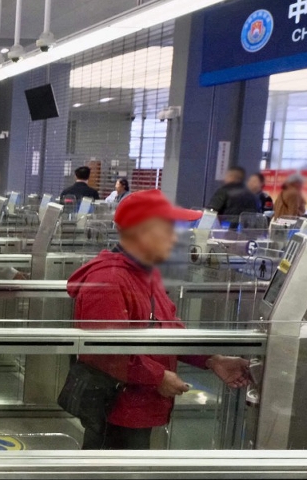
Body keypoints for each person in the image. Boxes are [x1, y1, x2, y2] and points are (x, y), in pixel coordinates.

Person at [67, 190, 252, 450]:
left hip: (142, 406)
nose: (176, 237)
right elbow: (106, 353)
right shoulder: (109, 281)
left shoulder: (145, 273)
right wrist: (158, 377)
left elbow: (168, 327)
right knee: (113, 473)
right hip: (117, 412)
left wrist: (211, 359)